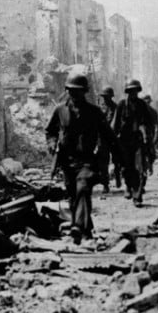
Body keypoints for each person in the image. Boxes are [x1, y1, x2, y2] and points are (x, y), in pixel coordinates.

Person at [45, 73, 114, 243]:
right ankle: (86, 231)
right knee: (73, 196)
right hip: (67, 161)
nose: (75, 94)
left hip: (87, 161)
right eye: (71, 91)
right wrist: (52, 144)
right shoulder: (60, 110)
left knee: (83, 188)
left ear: (85, 92)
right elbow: (50, 131)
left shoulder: (94, 112)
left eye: (78, 91)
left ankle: (77, 225)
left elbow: (109, 136)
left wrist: (118, 159)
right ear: (67, 91)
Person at [111, 78, 152, 206]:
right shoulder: (122, 105)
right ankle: (128, 186)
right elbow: (115, 124)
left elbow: (148, 122)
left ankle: (137, 196)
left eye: (135, 91)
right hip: (124, 141)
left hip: (138, 140)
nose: (133, 93)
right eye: (130, 91)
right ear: (127, 91)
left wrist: (147, 136)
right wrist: (113, 141)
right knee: (126, 168)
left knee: (139, 168)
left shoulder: (142, 105)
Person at [97, 86, 118, 192]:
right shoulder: (99, 108)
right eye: (104, 97)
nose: (105, 98)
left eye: (107, 96)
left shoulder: (116, 108)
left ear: (111, 97)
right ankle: (105, 184)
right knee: (103, 161)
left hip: (114, 137)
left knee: (117, 159)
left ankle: (118, 176)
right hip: (103, 138)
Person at [141, 93, 158, 176]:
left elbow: (156, 125)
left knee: (151, 154)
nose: (147, 104)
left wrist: (156, 135)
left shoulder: (153, 112)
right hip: (140, 135)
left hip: (150, 135)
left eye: (148, 102)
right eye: (145, 102)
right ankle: (143, 168)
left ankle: (150, 165)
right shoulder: (139, 111)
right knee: (141, 154)